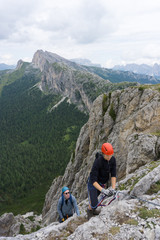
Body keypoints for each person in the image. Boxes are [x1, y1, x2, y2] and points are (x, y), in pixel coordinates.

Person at [87, 142, 117, 220]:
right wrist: (103, 190)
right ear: (103, 154)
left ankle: (93, 209)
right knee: (94, 202)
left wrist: (113, 188)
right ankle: (90, 211)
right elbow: (93, 180)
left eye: (111, 154)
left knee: (95, 199)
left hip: (101, 183)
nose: (109, 157)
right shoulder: (98, 162)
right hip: (93, 183)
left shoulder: (112, 160)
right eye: (107, 155)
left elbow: (113, 175)